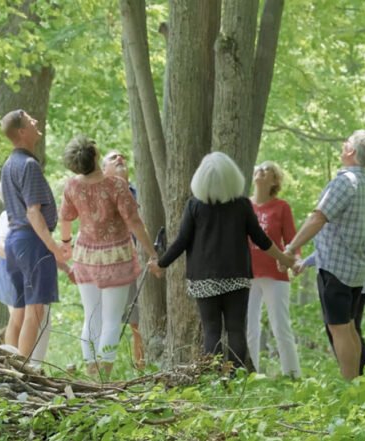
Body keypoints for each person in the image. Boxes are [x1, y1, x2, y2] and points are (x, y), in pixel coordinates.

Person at [149, 152, 297, 370]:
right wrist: (284, 257)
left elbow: (181, 241)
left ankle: (214, 378)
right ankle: (236, 379)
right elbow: (262, 240)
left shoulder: (194, 206)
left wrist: (160, 265)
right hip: (237, 276)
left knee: (211, 330)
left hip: (203, 278)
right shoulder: (242, 205)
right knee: (236, 329)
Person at [283, 130, 365, 380]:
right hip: (355, 269)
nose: (342, 145)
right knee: (349, 327)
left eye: (345, 142)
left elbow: (318, 218)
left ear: (351, 151)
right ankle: (358, 385)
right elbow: (339, 230)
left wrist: (290, 247)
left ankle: (350, 387)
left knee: (339, 328)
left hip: (337, 270)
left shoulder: (345, 182)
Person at [59, 136, 158, 379]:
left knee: (91, 316)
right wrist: (152, 253)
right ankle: (104, 376)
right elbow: (134, 222)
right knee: (112, 320)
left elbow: (65, 218)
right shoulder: (115, 185)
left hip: (85, 257)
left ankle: (91, 372)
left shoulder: (72, 186)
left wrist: (66, 246)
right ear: (94, 155)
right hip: (115, 258)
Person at [299, 184, 365, 375]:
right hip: (349, 276)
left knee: (349, 328)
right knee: (344, 329)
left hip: (358, 281)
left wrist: (346, 254)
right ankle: (354, 374)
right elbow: (333, 248)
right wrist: (306, 263)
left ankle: (360, 375)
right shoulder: (364, 217)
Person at [0, 109, 65, 359]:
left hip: (14, 242)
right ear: (22, 131)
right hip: (32, 242)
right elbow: (33, 212)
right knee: (34, 311)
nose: (36, 121)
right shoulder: (28, 165)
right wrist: (54, 247)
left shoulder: (8, 165)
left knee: (18, 311)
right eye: (30, 120)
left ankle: (8, 365)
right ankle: (21, 369)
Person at [246, 161, 302, 377]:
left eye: (267, 170)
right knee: (249, 328)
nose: (260, 170)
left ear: (274, 181)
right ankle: (250, 375)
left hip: (275, 273)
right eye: (258, 168)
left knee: (280, 326)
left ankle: (293, 375)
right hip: (247, 273)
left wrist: (296, 261)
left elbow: (292, 240)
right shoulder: (244, 205)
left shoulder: (281, 207)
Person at [0, 182, 52, 364]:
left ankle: (32, 365)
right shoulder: (8, 216)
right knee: (22, 316)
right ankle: (17, 364)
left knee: (41, 319)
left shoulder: (35, 215)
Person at [102, 149, 145, 370]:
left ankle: (142, 368)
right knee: (109, 320)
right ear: (103, 169)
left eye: (122, 157)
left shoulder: (140, 193)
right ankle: (100, 371)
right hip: (115, 265)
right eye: (112, 158)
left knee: (140, 321)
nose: (119, 159)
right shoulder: (101, 195)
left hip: (142, 262)